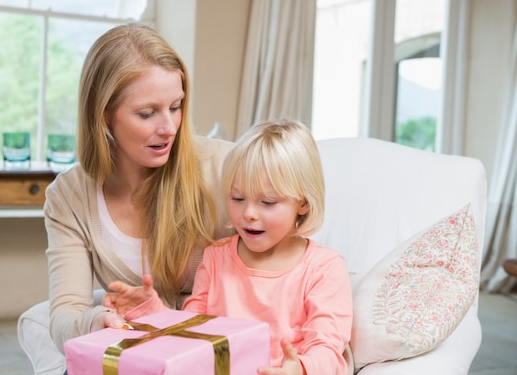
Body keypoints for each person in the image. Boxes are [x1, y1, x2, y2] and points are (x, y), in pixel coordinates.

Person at [33, 22, 234, 362]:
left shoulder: (226, 168)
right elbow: (66, 314)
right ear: (104, 115)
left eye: (176, 106)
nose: (169, 128)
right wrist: (97, 320)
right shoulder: (69, 196)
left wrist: (164, 315)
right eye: (147, 113)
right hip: (142, 356)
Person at [103, 119, 354, 375]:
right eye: (238, 198)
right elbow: (191, 333)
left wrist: (299, 369)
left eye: (267, 202)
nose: (249, 213)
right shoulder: (215, 258)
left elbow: (328, 349)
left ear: (303, 203)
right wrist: (153, 313)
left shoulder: (324, 268)